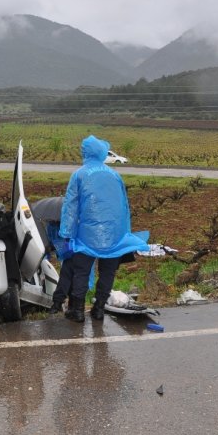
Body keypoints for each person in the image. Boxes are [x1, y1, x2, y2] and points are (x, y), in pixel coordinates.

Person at [59, 135, 148, 322]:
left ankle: (77, 311)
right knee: (108, 272)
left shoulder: (79, 175)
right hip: (114, 234)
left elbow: (70, 207)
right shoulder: (115, 175)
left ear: (85, 152)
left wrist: (66, 234)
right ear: (101, 152)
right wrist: (125, 233)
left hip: (87, 235)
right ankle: (99, 309)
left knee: (81, 272)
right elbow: (124, 206)